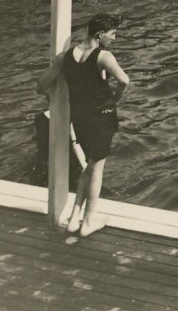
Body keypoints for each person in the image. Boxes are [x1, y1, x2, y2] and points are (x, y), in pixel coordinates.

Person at [35, 13, 130, 237]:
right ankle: (87, 223)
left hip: (80, 117)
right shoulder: (103, 57)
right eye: (112, 33)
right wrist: (115, 98)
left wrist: (52, 97)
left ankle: (74, 218)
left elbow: (41, 86)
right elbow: (125, 81)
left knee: (90, 165)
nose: (114, 38)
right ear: (100, 34)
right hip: (102, 116)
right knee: (97, 169)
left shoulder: (66, 57)